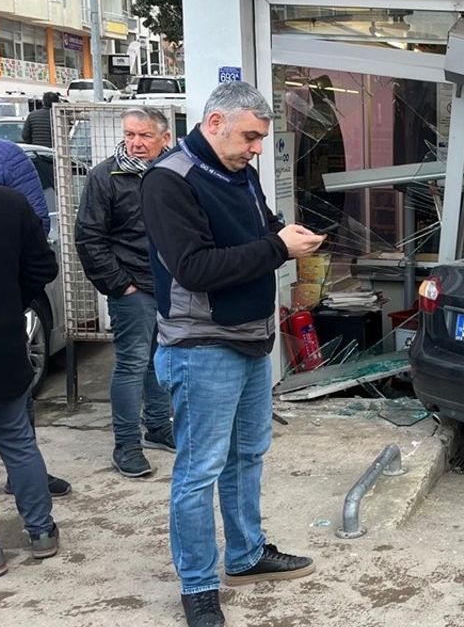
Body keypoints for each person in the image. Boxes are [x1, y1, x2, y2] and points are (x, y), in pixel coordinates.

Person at [143, 81, 324, 627]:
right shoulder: (169, 180)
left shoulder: (239, 172)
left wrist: (283, 234)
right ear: (216, 123)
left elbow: (260, 229)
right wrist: (277, 248)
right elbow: (194, 268)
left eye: (261, 138)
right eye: (250, 136)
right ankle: (198, 586)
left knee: (247, 455)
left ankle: (246, 555)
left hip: (249, 338)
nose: (257, 148)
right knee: (199, 470)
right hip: (201, 345)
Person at [0, 130, 62, 579]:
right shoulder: (8, 203)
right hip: (3, 341)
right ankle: (41, 533)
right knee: (19, 443)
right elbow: (42, 267)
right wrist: (8, 303)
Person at [76, 107, 175, 478]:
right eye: (130, 134)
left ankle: (159, 427)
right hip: (132, 288)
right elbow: (89, 237)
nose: (135, 143)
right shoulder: (105, 176)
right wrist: (120, 285)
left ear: (165, 138)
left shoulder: (175, 172)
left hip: (170, 286)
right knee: (132, 364)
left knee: (160, 361)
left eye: (145, 135)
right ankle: (127, 445)